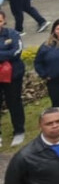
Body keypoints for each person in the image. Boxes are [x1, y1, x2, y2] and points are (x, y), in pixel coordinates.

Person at [0, 15, 27, 149]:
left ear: (3, 20)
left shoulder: (13, 34)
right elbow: (9, 53)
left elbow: (16, 52)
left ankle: (19, 131)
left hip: (12, 75)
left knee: (14, 102)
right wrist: (5, 53)